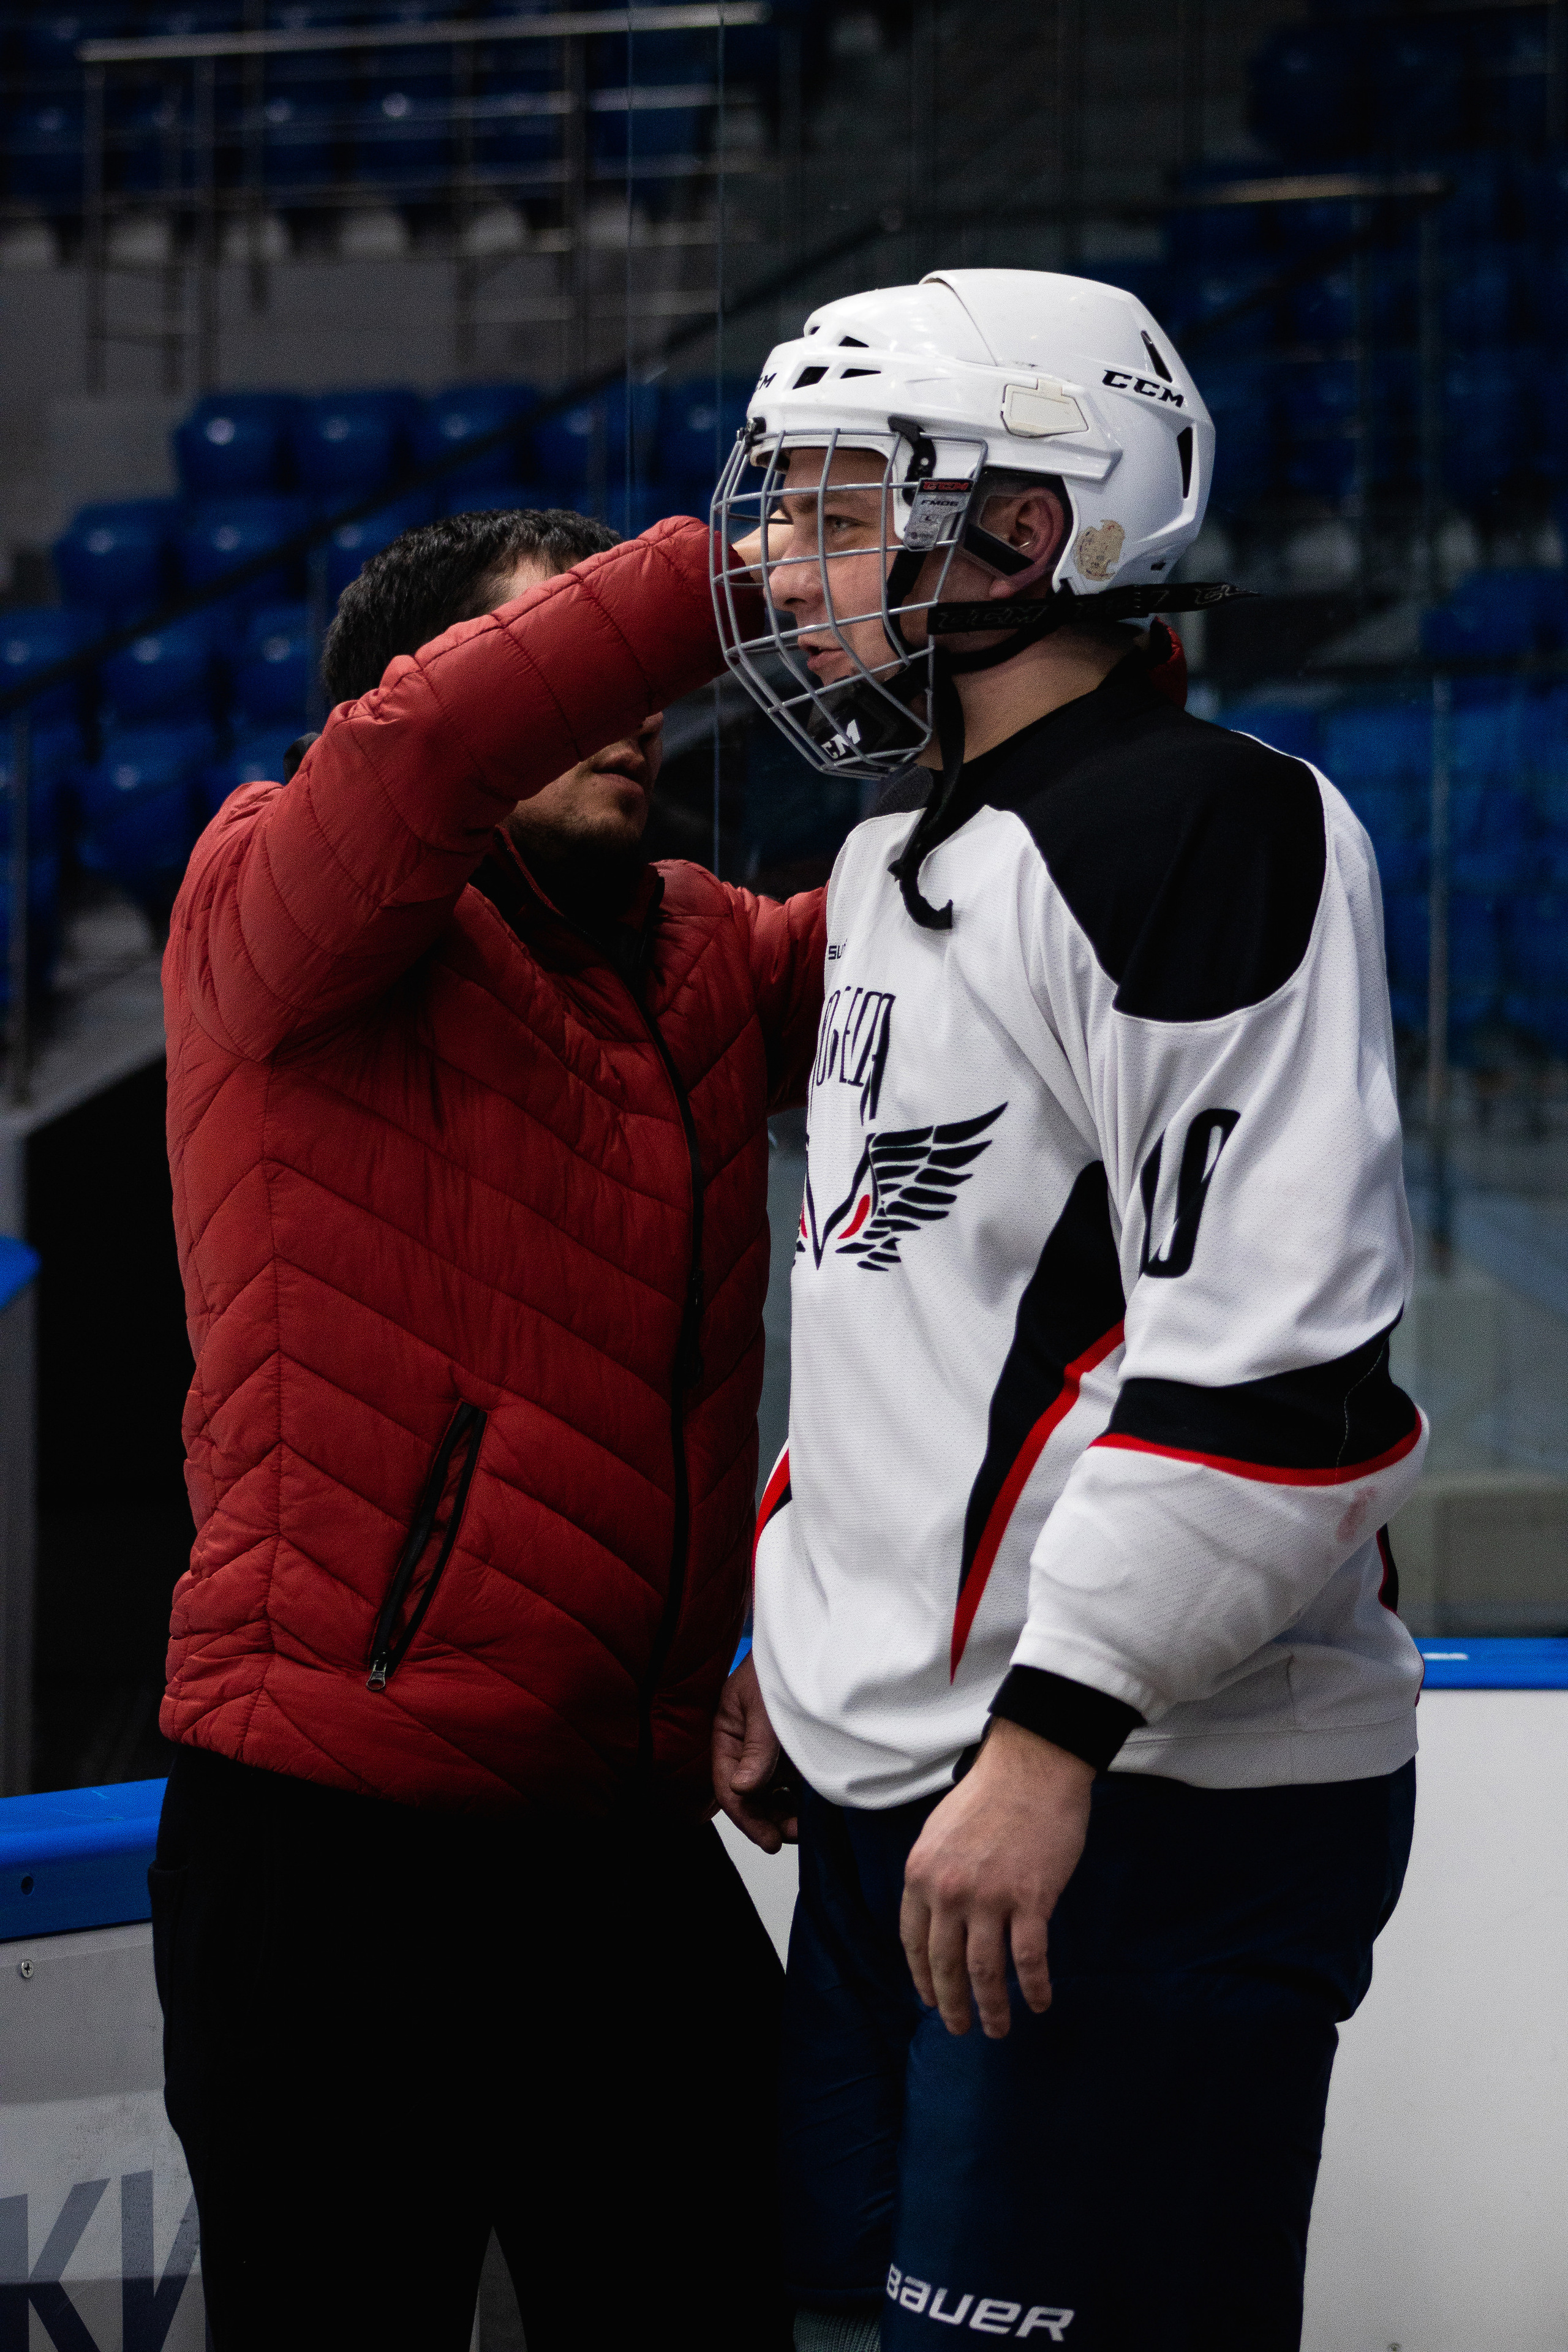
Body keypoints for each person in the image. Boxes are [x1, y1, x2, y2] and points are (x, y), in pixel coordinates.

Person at [709, 270, 1427, 2351]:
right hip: (908, 1807)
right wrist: (802, 1640)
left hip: (1134, 1809)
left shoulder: (1209, 823)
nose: (779, 565)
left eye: (841, 511)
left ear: (1027, 532)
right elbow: (909, 1309)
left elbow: (1282, 1369)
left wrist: (1048, 1738)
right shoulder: (886, 867)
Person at [154, 505, 825, 2351]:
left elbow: (967, 951)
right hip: (332, 1842)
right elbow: (428, 750)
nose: (635, 709)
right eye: (570, 657)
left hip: (622, 1836)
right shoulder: (259, 897)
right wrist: (753, 567)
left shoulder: (709, 955)